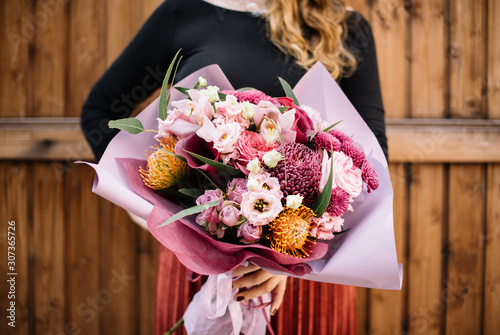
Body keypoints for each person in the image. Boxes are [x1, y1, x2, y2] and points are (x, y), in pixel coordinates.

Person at [81, 0, 387, 334]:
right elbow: (100, 110)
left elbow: (371, 158)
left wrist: (288, 260)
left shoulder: (343, 24)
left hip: (307, 273)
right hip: (198, 260)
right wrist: (150, 206)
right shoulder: (183, 12)